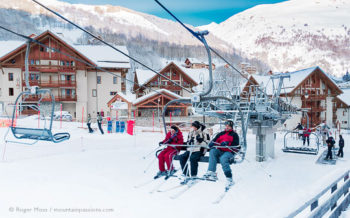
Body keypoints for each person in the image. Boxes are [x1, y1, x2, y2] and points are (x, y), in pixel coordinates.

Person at [203, 120, 239, 189]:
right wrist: (212, 143)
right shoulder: (221, 133)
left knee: (223, 159)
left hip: (229, 151)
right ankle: (211, 172)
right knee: (212, 151)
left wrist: (227, 143)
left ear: (231, 127)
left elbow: (236, 145)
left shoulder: (234, 134)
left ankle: (229, 178)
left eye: (228, 126)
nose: (227, 127)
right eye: (226, 126)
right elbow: (215, 140)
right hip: (221, 150)